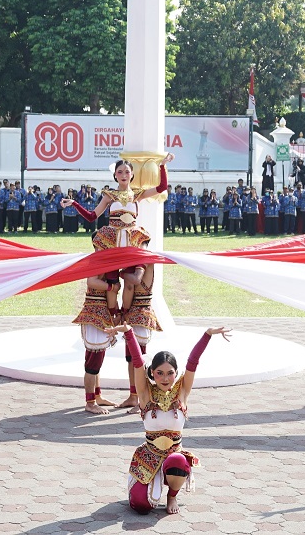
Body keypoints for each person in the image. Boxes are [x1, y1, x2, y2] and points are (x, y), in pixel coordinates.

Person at [122, 324, 231, 514]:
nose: (165, 378)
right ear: (152, 373)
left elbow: (193, 361)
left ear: (176, 373)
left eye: (170, 373)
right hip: (149, 456)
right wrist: (129, 334)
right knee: (141, 506)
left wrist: (207, 335)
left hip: (174, 456)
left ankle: (172, 496)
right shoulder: (145, 394)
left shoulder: (182, 392)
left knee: (178, 461)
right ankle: (146, 489)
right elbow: (138, 363)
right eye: (160, 373)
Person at [63, 154, 173, 251]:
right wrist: (74, 203)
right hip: (111, 239)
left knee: (136, 273)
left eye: (127, 172)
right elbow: (91, 216)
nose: (123, 175)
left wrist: (162, 165)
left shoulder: (138, 194)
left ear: (132, 174)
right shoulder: (109, 196)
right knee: (110, 275)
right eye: (119, 172)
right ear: (115, 175)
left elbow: (162, 187)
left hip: (132, 238)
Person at [73, 273, 123, 414]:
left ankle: (97, 396)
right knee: (93, 362)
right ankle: (90, 403)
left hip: (100, 313)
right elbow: (91, 281)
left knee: (97, 359)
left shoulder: (103, 260)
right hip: (94, 314)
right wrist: (112, 287)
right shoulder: (99, 260)